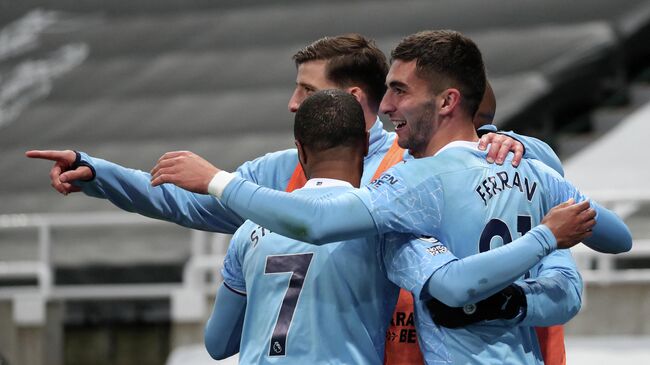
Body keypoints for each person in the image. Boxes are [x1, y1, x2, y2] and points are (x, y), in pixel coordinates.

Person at [26, 33, 569, 365]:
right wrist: (97, 173)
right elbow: (183, 201)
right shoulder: (281, 170)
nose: (291, 105)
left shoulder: (424, 159)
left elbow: (219, 343)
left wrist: (514, 140)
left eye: (305, 92)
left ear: (349, 97)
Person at [152, 30, 632, 364]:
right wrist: (541, 248)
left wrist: (218, 181)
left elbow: (316, 224)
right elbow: (615, 239)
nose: (385, 107)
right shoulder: (527, 168)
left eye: (399, 91)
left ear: (447, 102)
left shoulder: (411, 186)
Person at [204, 89, 595, 364]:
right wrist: (545, 235)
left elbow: (218, 343)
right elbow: (454, 286)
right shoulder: (387, 228)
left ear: (300, 150)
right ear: (366, 148)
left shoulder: (249, 231)